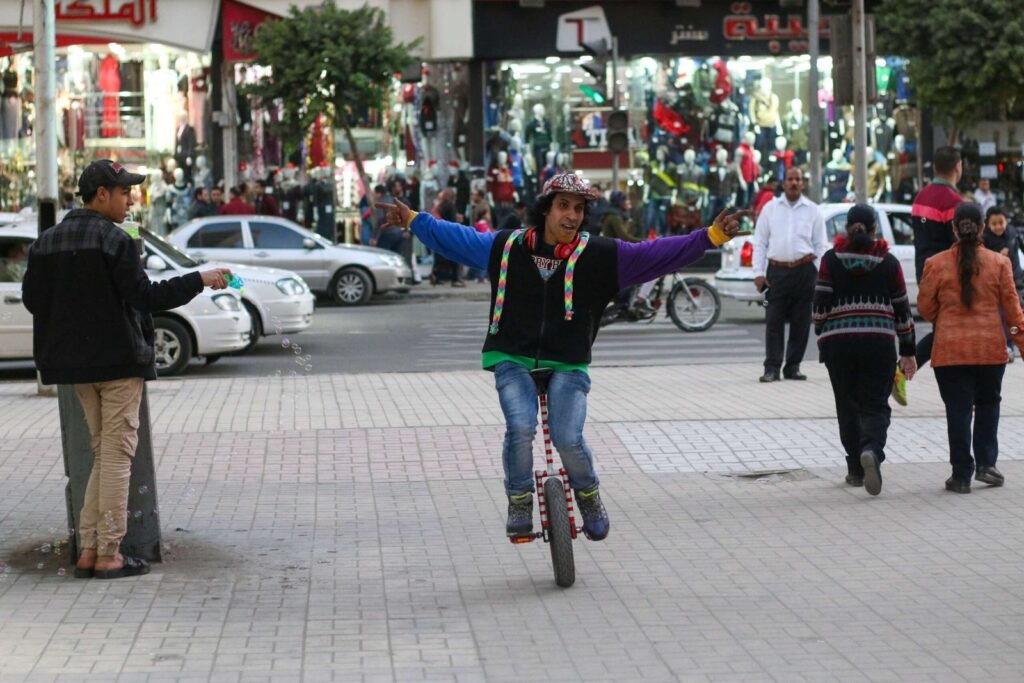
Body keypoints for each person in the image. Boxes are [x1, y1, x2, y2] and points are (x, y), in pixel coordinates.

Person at [378, 174, 747, 541]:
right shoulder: (507, 247)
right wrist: (414, 219)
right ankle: (519, 501)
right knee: (521, 427)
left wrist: (710, 237)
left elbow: (655, 254)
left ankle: (588, 495)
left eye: (580, 208)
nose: (572, 215)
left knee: (568, 438)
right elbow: (456, 239)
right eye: (564, 206)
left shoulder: (600, 256)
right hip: (512, 356)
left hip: (568, 361)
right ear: (547, 209)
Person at [21, 159, 232, 579]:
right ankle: (109, 555)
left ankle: (88, 550)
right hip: (118, 362)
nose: (130, 199)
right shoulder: (115, 241)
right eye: (124, 192)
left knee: (104, 453)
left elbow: (32, 301)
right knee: (117, 458)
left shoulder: (46, 243)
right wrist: (199, 279)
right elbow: (145, 296)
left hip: (74, 367)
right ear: (101, 194)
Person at [917, 203, 1024, 494]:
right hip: (990, 350)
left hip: (949, 352)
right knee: (989, 404)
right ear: (982, 228)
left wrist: (947, 313)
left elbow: (926, 308)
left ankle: (961, 474)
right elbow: (1014, 316)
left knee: (958, 410)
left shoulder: (935, 264)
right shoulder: (1000, 264)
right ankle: (987, 465)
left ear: (954, 228)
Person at [813, 205, 917, 496]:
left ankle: (855, 470)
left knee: (846, 405)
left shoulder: (830, 260)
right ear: (875, 229)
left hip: (839, 345)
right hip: (878, 343)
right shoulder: (889, 261)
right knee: (875, 405)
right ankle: (871, 449)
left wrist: (822, 332)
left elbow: (820, 305)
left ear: (848, 228)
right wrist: (908, 349)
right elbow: (902, 310)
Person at [752, 167, 827, 382]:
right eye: (790, 179)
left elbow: (820, 245)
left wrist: (822, 276)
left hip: (804, 271)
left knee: (801, 321)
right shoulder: (770, 209)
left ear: (803, 184)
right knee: (773, 320)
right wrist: (758, 272)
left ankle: (793, 367)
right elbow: (760, 242)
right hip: (776, 272)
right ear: (783, 183)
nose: (794, 183)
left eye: (798, 179)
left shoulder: (813, 211)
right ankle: (772, 367)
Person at [909, 146, 963, 372]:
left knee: (944, 331)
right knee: (948, 332)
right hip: (948, 278)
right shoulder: (954, 202)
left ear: (934, 167)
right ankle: (901, 370)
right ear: (958, 167)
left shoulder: (921, 197)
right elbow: (958, 246)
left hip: (924, 273)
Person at [981, 206, 1023, 361]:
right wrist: (997, 256)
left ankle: (1011, 347)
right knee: (999, 316)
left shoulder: (1012, 232)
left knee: (1013, 316)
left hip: (1014, 280)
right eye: (994, 223)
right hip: (995, 284)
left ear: (1007, 221)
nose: (998, 226)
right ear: (987, 224)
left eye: (1001, 222)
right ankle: (1003, 347)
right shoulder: (985, 239)